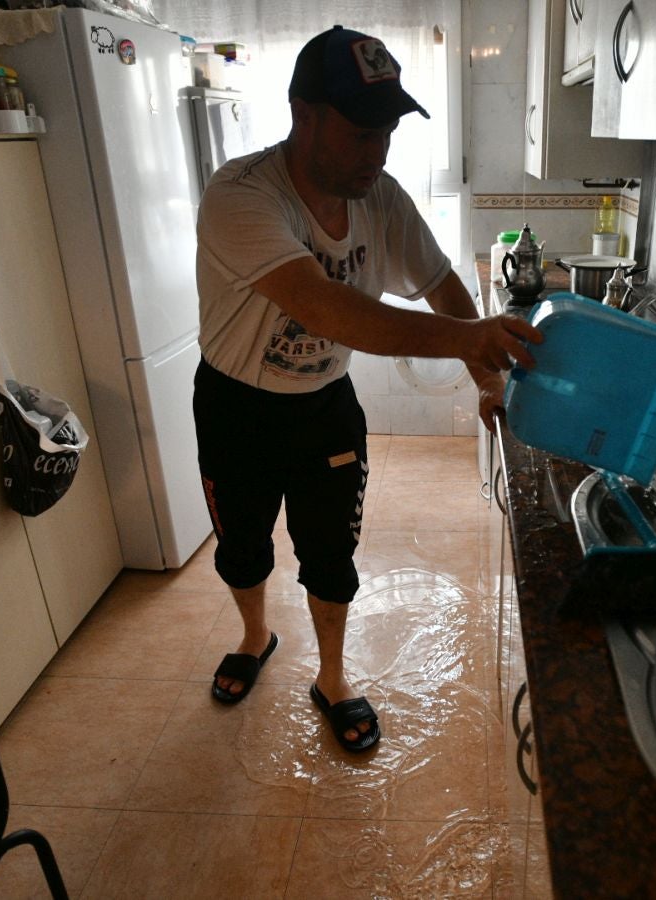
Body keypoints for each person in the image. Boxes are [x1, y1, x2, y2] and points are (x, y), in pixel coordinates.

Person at [193, 25, 541, 753]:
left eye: (387, 133)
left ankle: (332, 676)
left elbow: (442, 285)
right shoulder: (240, 195)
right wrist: (469, 341)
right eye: (360, 134)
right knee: (243, 548)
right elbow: (323, 306)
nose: (377, 154)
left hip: (324, 408)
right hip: (237, 407)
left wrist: (485, 377)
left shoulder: (380, 197)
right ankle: (256, 636)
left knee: (329, 553)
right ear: (304, 115)